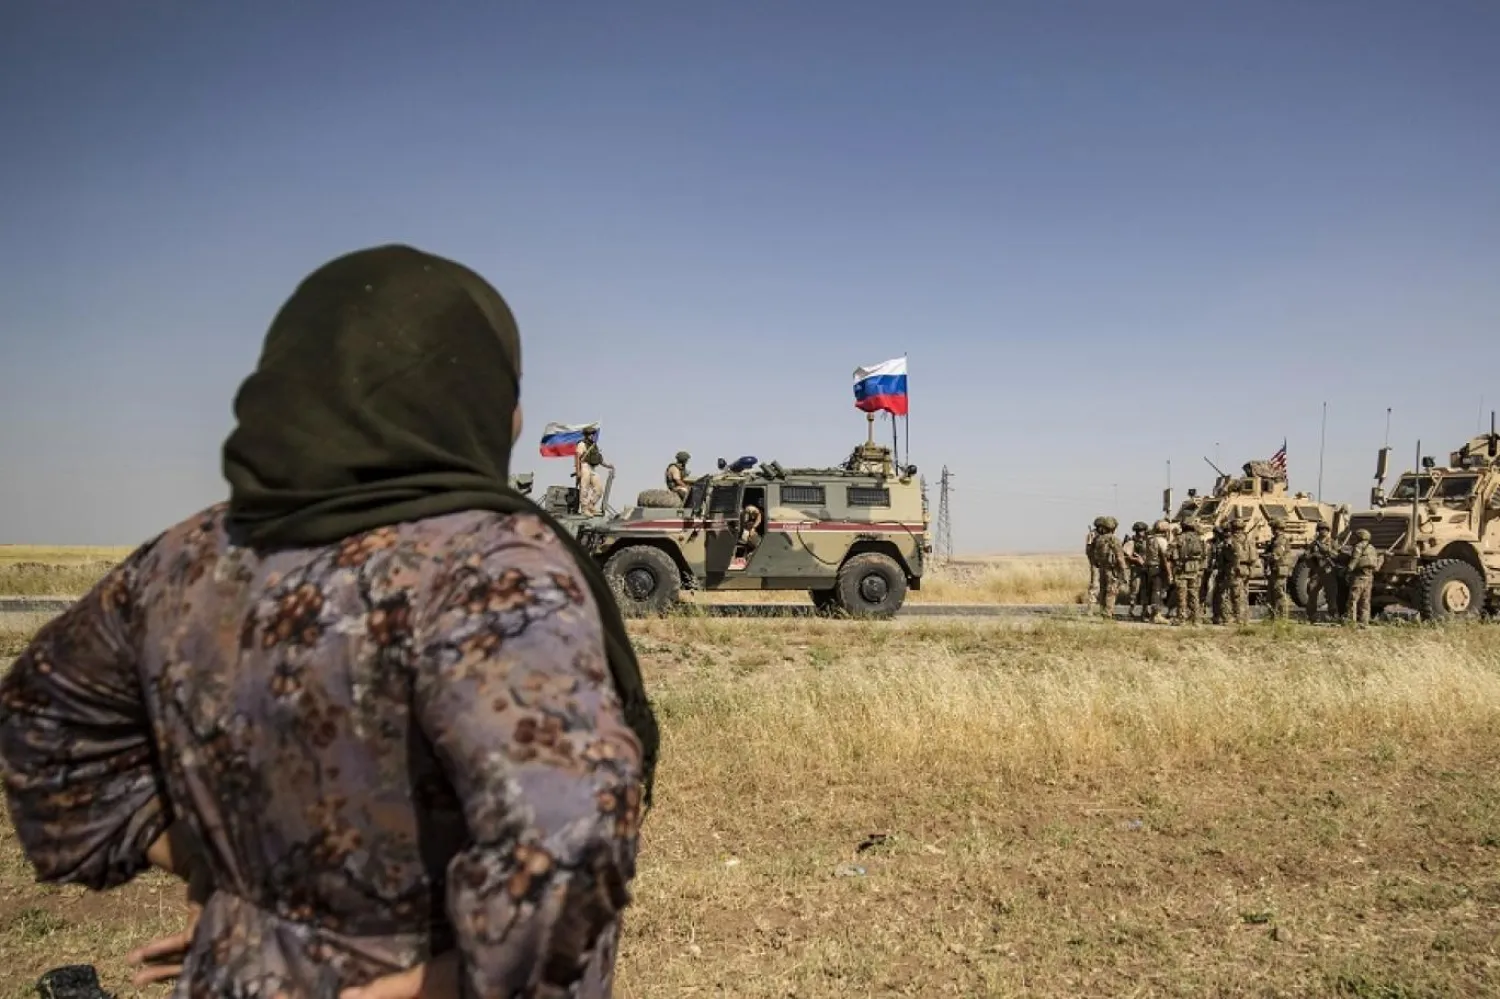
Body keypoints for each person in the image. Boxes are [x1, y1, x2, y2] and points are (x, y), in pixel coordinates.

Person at [0, 245, 660, 998]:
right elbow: (572, 836)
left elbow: (40, 728)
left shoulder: (181, 559)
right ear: (473, 398)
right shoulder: (491, 565)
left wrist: (246, 893)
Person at [1088, 516, 1127, 619]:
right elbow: (1120, 557)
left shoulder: (1099, 539)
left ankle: (1102, 610)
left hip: (1102, 568)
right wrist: (1124, 570)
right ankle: (1108, 613)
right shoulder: (1114, 539)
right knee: (1112, 590)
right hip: (1112, 569)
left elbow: (1093, 553)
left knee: (1103, 590)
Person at [1171, 519, 1207, 625]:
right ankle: (1196, 619)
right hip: (1195, 570)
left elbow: (1169, 552)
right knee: (1194, 594)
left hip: (1181, 569)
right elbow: (1204, 555)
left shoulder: (1179, 538)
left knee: (1182, 595)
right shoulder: (1199, 539)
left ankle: (1181, 619)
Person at [1345, 527, 1383, 626]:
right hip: (1369, 577)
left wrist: (1347, 570)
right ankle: (1364, 622)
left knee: (1353, 599)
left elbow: (1354, 559)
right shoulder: (1372, 548)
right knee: (1365, 600)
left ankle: (1350, 621)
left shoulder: (1358, 547)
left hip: (1359, 576)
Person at [1220, 518, 1254, 625]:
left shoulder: (1230, 540)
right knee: (1243, 593)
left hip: (1234, 568)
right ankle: (1245, 617)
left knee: (1232, 594)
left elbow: (1224, 556)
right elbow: (1253, 557)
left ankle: (1236, 617)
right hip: (1245, 569)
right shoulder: (1248, 540)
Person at [574, 426, 611, 516]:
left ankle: (591, 505)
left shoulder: (594, 446)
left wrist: (608, 466)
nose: (592, 436)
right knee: (584, 488)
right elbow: (577, 457)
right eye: (590, 434)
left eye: (592, 434)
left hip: (592, 468)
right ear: (586, 435)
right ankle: (584, 509)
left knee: (599, 489)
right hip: (584, 466)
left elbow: (599, 459)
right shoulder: (582, 444)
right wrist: (578, 471)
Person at [1304, 523, 1338, 623]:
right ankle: (1311, 616)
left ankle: (1333, 616)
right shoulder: (1313, 544)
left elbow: (1337, 555)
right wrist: (1313, 555)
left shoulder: (1332, 542)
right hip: (1316, 571)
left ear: (1328, 531)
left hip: (1328, 571)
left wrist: (1327, 551)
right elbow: (1306, 556)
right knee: (1312, 592)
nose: (1323, 531)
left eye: (1325, 529)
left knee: (1331, 594)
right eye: (1321, 529)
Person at [1143, 520, 1173, 623]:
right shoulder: (1161, 541)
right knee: (1158, 591)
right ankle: (1157, 614)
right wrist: (1169, 573)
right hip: (1158, 568)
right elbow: (1165, 558)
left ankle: (1153, 614)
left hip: (1150, 567)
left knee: (1153, 591)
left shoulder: (1150, 540)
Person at [1263, 521, 1292, 621]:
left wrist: (1266, 556)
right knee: (1271, 594)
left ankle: (1282, 618)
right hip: (1274, 570)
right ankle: (1273, 617)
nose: (1272, 530)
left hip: (1279, 570)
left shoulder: (1281, 540)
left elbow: (1276, 555)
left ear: (1277, 529)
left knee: (1279, 594)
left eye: (1273, 528)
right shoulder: (1274, 540)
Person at [1123, 521, 1149, 619]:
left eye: (1142, 530)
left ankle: (1144, 611)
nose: (1140, 532)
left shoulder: (1148, 541)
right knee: (1134, 590)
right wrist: (1137, 560)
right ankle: (1131, 611)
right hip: (1136, 569)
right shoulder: (1131, 542)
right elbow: (1127, 556)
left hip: (1146, 569)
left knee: (1145, 591)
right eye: (1138, 531)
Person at [1085, 521, 1100, 604]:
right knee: (1094, 584)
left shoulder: (1106, 535)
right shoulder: (1092, 534)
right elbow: (1088, 550)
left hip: (1105, 564)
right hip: (1096, 564)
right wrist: (1094, 560)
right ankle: (1091, 605)